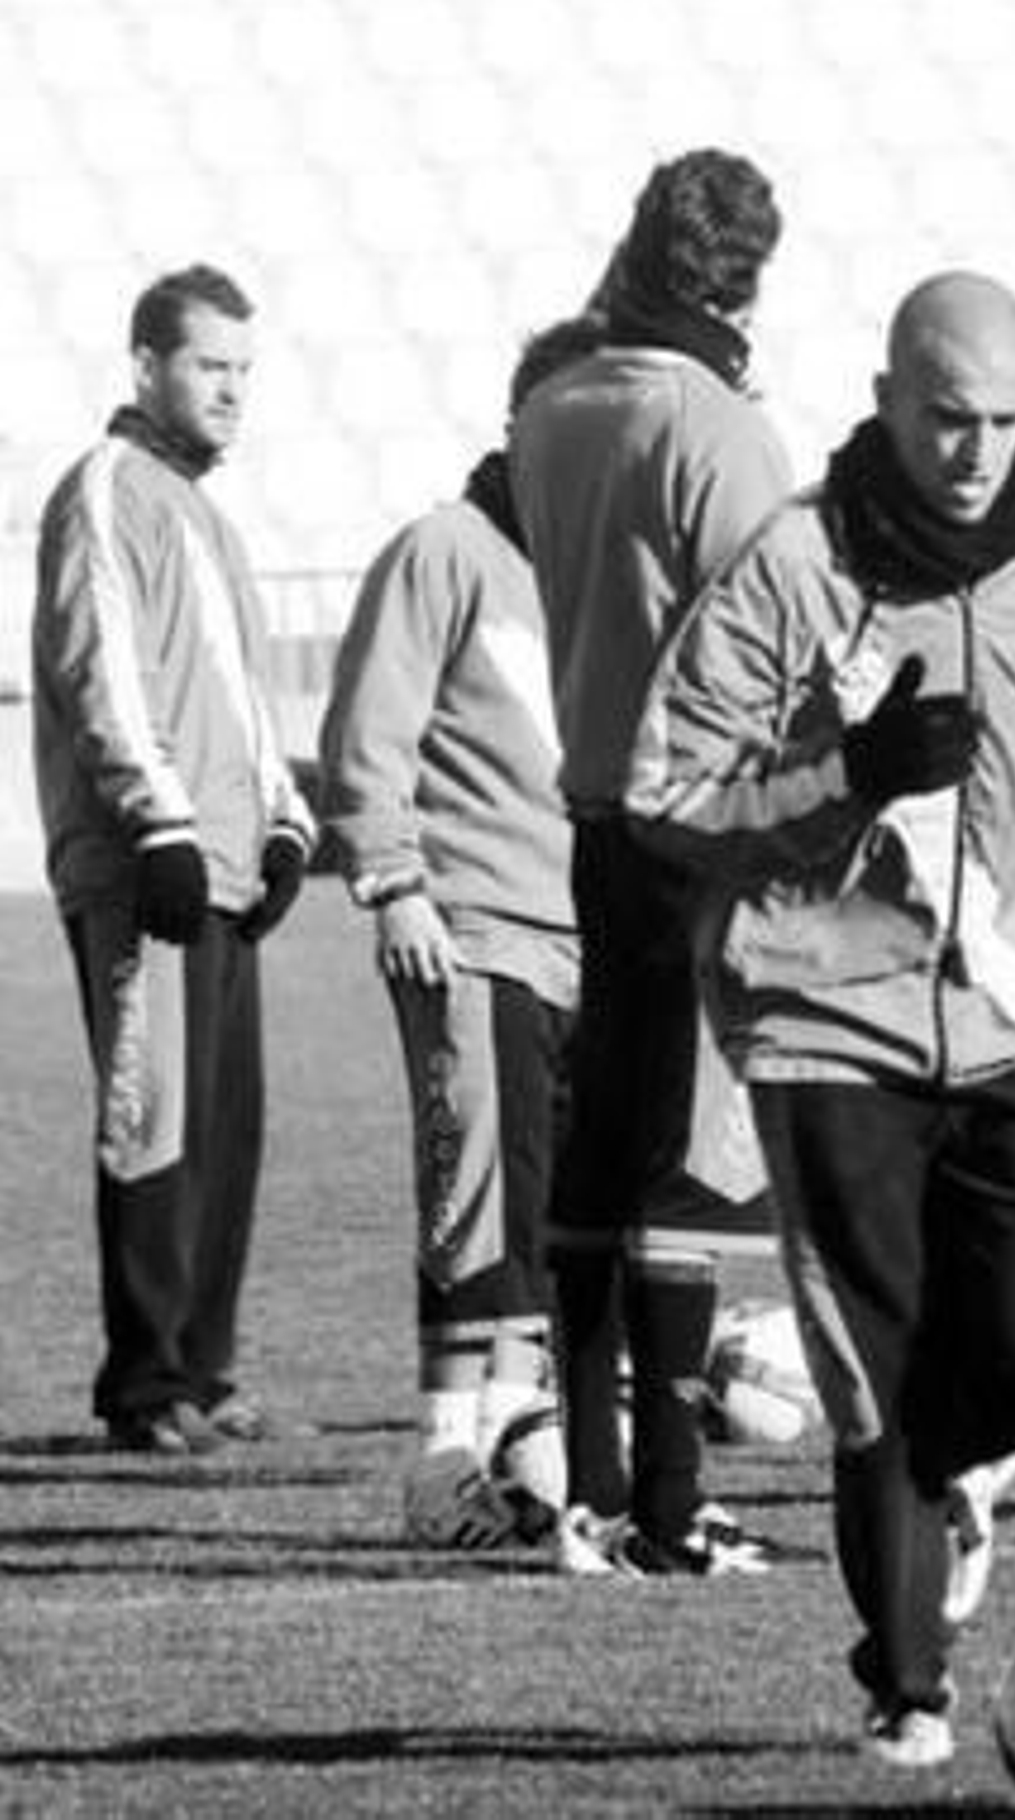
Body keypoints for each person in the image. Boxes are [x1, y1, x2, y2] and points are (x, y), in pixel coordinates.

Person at [626, 271, 1015, 1765]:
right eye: (949, 418)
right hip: (826, 1015)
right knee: (871, 1369)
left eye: (1007, 420)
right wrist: (851, 774)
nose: (978, 448)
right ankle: (909, 1681)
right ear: (886, 395)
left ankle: (953, 1478)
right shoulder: (788, 566)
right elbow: (668, 797)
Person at [508, 148, 791, 1576]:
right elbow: (781, 634)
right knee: (696, 1156)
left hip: (595, 814)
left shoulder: (555, 405)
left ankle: (592, 1489)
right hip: (705, 820)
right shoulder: (716, 423)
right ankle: (678, 1510)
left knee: (605, 1145)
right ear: (742, 275)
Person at [32, 262, 316, 1455]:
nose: (233, 391)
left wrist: (287, 816)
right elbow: (103, 668)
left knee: (228, 1130)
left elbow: (240, 702)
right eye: (211, 366)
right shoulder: (108, 489)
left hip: (227, 877)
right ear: (146, 364)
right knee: (154, 1123)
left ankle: (204, 1370)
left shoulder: (207, 511)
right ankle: (145, 1388)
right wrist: (157, 822)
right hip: (150, 874)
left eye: (246, 371)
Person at [316, 333, 588, 1549]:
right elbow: (367, 727)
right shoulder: (444, 549)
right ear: (525, 423)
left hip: (583, 936)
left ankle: (523, 1443)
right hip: (471, 925)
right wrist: (395, 885)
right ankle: (444, 1464)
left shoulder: (593, 568)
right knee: (476, 1197)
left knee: (550, 1207)